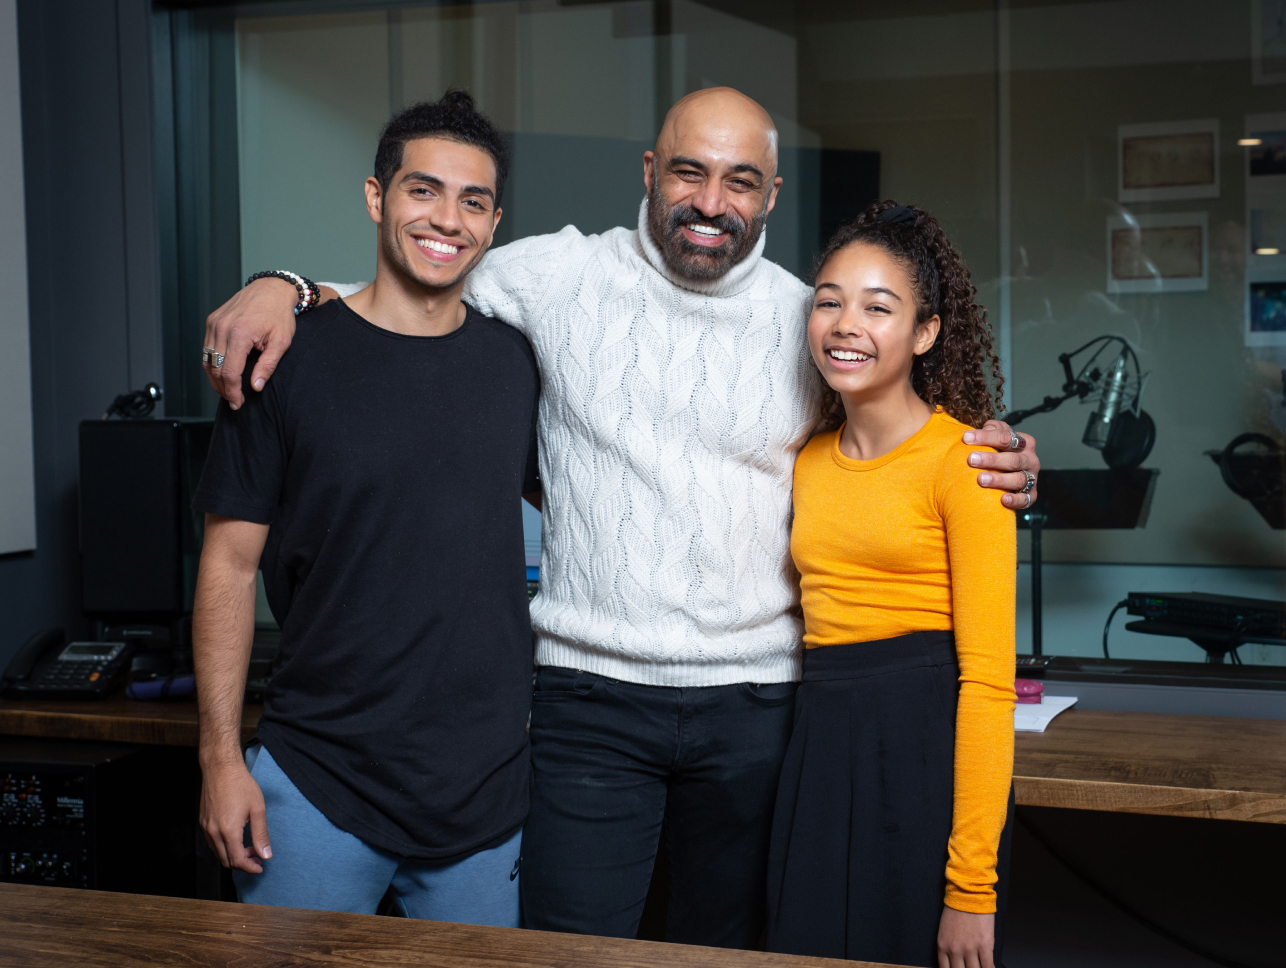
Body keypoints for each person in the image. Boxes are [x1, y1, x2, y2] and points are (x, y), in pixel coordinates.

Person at [200, 87, 1040, 947]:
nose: (712, 201)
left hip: (757, 708)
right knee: (568, 951)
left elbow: (896, 420)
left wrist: (996, 457)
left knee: (733, 955)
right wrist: (288, 286)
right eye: (689, 172)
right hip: (585, 706)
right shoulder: (557, 275)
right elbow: (419, 280)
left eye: (741, 181)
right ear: (649, 173)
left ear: (772, 196)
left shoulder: (810, 318)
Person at [191, 91, 541, 924]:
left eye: (473, 200)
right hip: (317, 780)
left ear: (495, 223)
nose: (447, 218)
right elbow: (229, 568)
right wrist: (219, 759)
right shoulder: (281, 358)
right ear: (377, 197)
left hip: (483, 797)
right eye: (423, 190)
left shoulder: (517, 364)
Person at [766, 202, 1016, 968]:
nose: (847, 324)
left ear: (926, 333)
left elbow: (988, 685)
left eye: (879, 307)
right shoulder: (803, 457)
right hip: (815, 741)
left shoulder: (966, 463)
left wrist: (972, 888)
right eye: (830, 301)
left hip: (919, 749)